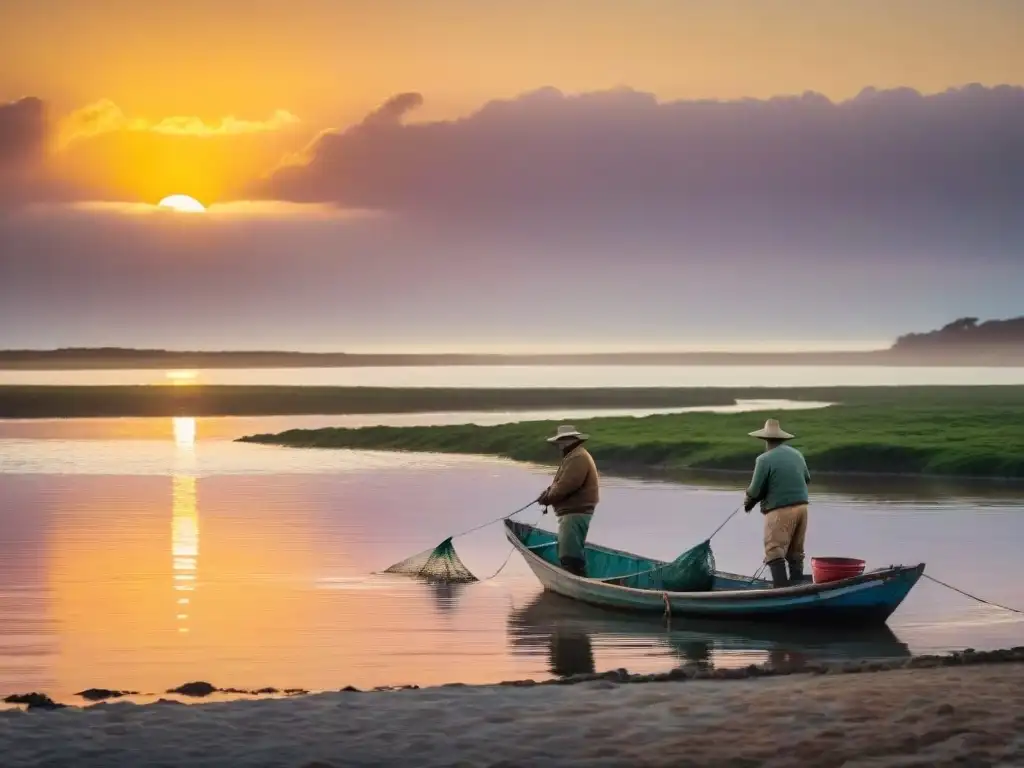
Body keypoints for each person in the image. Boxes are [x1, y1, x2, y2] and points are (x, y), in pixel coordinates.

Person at [743, 419, 810, 588]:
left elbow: (754, 490)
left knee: (774, 550)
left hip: (780, 510)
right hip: (802, 508)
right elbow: (807, 478)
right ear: (782, 439)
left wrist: (748, 503)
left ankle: (781, 591)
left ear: (765, 440)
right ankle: (797, 588)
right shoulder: (797, 454)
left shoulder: (763, 459)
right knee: (795, 552)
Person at [536, 425, 600, 577]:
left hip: (575, 513)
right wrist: (548, 493)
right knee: (569, 552)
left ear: (566, 441)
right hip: (573, 513)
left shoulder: (577, 457)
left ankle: (578, 583)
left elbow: (567, 485)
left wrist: (547, 498)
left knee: (569, 556)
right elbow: (561, 484)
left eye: (560, 442)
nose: (558, 446)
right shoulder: (574, 456)